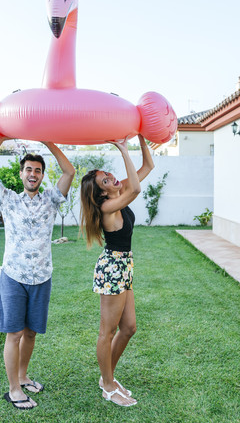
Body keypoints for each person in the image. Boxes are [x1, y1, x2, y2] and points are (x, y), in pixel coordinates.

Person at [0, 136, 75, 410]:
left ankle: (23, 375)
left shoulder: (52, 200)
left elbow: (70, 172)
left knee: (31, 333)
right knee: (14, 334)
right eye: (29, 169)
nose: (33, 174)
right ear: (21, 174)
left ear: (42, 175)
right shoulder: (7, 199)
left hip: (42, 276)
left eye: (38, 170)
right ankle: (14, 389)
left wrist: (49, 142)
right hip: (14, 276)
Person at [80, 135, 154, 407]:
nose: (112, 178)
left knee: (129, 327)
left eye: (108, 175)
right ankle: (108, 385)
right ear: (101, 193)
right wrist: (123, 148)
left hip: (124, 266)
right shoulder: (107, 207)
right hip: (112, 268)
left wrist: (142, 138)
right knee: (106, 331)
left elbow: (147, 168)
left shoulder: (117, 192)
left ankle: (106, 377)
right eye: (105, 180)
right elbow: (135, 189)